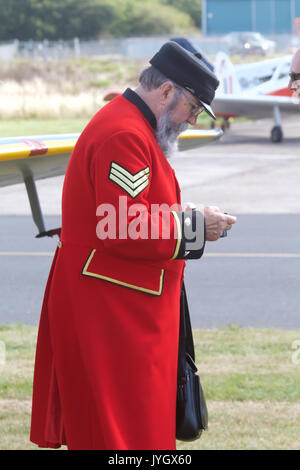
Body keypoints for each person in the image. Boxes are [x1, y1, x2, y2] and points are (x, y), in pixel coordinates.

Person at [30, 41, 236, 450]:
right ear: (166, 91)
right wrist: (196, 226)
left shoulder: (130, 126)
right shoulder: (125, 134)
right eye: (193, 108)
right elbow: (123, 227)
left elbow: (130, 210)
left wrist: (185, 214)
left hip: (120, 306)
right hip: (112, 314)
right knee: (122, 434)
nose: (191, 120)